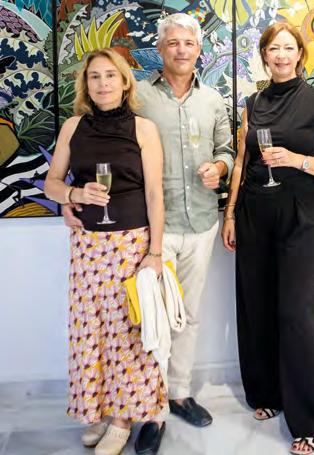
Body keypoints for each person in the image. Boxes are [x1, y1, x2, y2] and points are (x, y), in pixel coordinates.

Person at [63, 12, 234, 454]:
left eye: (189, 42)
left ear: (199, 49)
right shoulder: (138, 98)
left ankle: (178, 393)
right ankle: (150, 411)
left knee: (186, 315)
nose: (181, 49)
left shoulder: (213, 99)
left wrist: (221, 167)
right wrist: (69, 198)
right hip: (152, 231)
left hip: (201, 222)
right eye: (172, 42)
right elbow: (102, 144)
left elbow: (226, 149)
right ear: (159, 49)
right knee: (147, 323)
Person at [222, 22, 314, 455]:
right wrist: (231, 213)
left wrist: (295, 159)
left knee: (295, 311)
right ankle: (267, 392)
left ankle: (310, 419)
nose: (281, 55)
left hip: (302, 214)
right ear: (264, 55)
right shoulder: (253, 103)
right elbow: (241, 161)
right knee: (257, 304)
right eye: (274, 48)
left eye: (289, 48)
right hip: (255, 211)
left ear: (300, 55)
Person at [44, 48, 166, 455]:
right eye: (94, 76)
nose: (102, 83)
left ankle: (123, 418)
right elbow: (52, 183)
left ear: (125, 81)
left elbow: (154, 194)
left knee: (126, 333)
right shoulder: (73, 127)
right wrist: (74, 194)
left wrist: (155, 252)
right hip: (87, 246)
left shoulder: (144, 129)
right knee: (90, 332)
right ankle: (99, 407)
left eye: (110, 75)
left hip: (131, 244)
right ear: (86, 84)